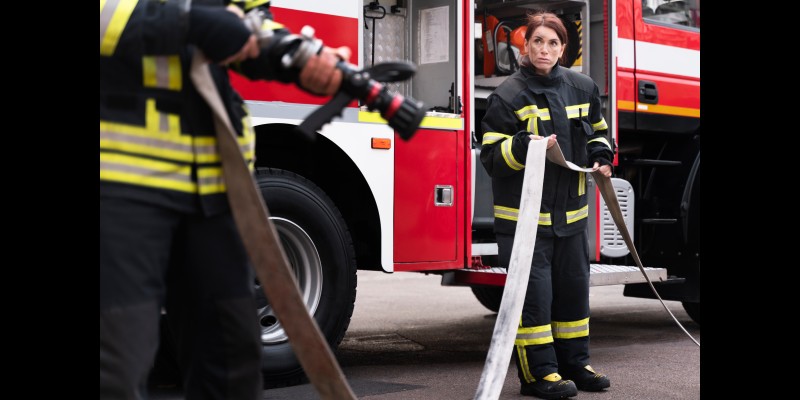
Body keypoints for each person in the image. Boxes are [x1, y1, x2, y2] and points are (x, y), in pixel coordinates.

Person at [99, 0, 351, 399]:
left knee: (231, 370)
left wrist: (297, 58)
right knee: (116, 370)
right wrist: (189, 23)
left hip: (212, 190)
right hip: (120, 185)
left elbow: (251, 25)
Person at [479, 11, 614, 400]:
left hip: (571, 218)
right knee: (534, 301)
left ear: (563, 48)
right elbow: (491, 158)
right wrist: (523, 146)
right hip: (524, 223)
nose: (544, 49)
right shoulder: (508, 95)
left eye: (553, 43)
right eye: (537, 41)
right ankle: (538, 375)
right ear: (525, 45)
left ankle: (576, 365)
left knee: (573, 294)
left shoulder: (582, 88)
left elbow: (598, 132)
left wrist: (602, 156)